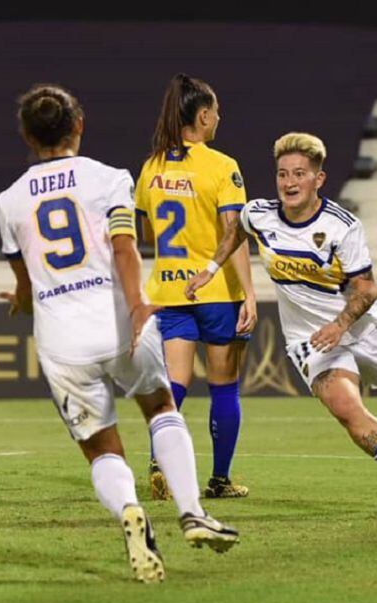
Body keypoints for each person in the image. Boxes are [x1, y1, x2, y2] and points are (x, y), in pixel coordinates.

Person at [0, 84, 239, 583]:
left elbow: (23, 281)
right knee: (160, 410)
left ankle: (130, 511)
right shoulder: (109, 178)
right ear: (78, 125)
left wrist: (22, 300)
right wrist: (136, 305)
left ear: (26, 135)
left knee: (102, 448)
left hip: (61, 341)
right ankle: (193, 510)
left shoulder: (9, 200)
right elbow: (125, 248)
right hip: (118, 322)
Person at [185, 132, 377, 512]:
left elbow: (368, 289)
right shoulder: (258, 213)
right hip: (309, 339)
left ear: (318, 179)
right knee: (346, 409)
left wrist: (340, 325)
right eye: (282, 174)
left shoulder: (343, 227)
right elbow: (236, 231)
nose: (289, 183)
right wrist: (210, 269)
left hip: (364, 328)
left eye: (299, 174)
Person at [135, 74, 256, 500]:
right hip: (216, 291)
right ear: (203, 116)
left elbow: (148, 233)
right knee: (224, 385)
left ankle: (157, 459)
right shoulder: (222, 166)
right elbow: (234, 233)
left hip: (169, 291)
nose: (219, 117)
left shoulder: (151, 167)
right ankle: (219, 480)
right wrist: (250, 294)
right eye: (216, 110)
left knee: (175, 382)